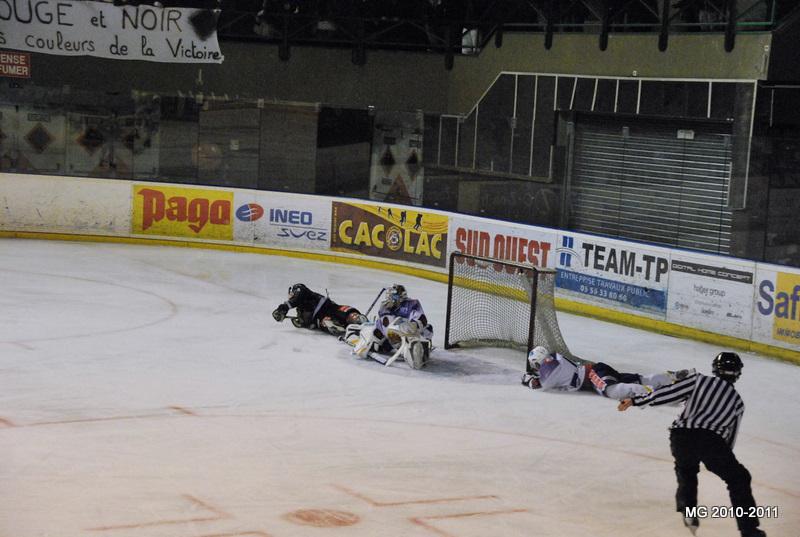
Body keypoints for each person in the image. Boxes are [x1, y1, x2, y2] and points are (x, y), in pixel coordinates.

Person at [618, 352, 766, 537]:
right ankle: (749, 530)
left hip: (681, 436)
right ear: (737, 373)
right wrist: (720, 460)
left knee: (686, 470)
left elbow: (669, 393)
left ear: (715, 369)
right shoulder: (737, 402)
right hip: (712, 442)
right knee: (739, 478)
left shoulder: (698, 380)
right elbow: (730, 437)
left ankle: (688, 510)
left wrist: (636, 400)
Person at [521, 346, 692, 400]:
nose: (536, 369)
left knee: (611, 391)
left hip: (592, 374)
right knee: (639, 379)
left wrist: (528, 380)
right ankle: (672, 376)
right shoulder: (554, 357)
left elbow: (542, 385)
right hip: (597, 369)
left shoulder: (548, 368)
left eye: (535, 365)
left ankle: (654, 393)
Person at [343, 284, 433, 369]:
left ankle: (417, 348)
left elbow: (421, 318)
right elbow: (384, 322)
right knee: (376, 336)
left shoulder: (412, 303)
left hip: (410, 333)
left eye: (393, 296)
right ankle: (371, 344)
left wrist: (413, 325)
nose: (390, 298)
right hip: (393, 338)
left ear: (401, 296)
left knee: (426, 331)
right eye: (389, 296)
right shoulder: (385, 306)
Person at [272, 283, 366, 336]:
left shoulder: (299, 290)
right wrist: (301, 321)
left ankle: (363, 322)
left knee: (348, 314)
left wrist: (283, 308)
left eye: (291, 294)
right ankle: (348, 330)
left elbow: (296, 298)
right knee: (330, 324)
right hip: (321, 319)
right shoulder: (300, 310)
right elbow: (309, 323)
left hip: (328, 307)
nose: (289, 296)